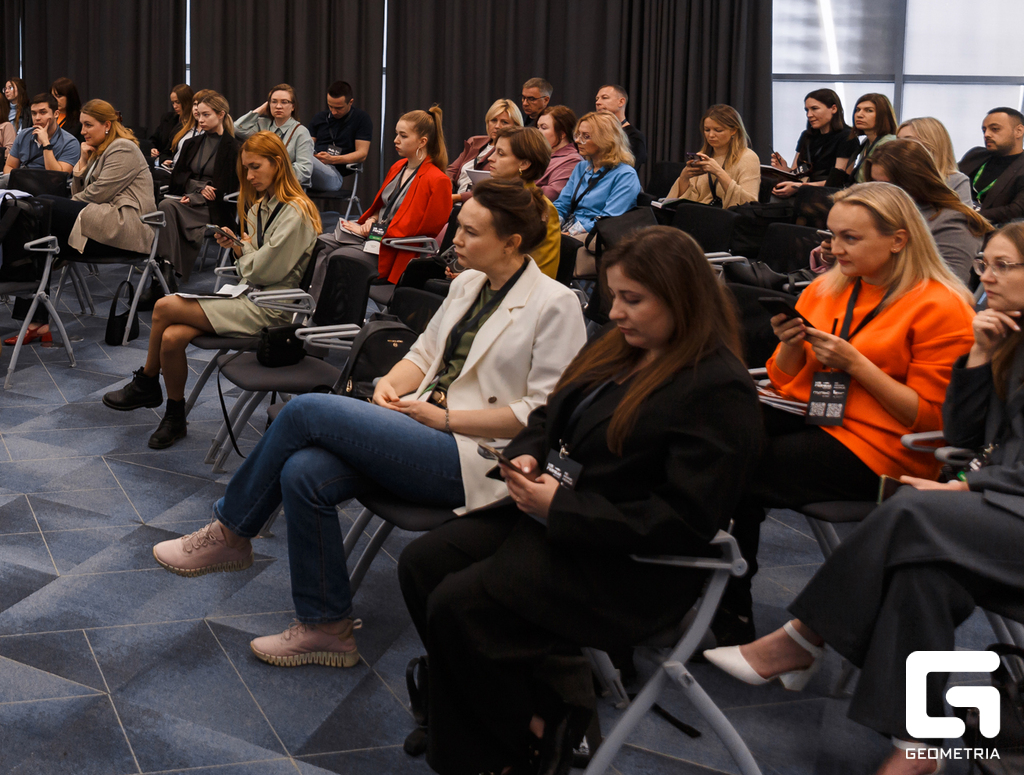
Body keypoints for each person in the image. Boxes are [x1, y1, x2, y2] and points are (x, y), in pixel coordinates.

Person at [149, 179, 585, 666]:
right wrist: (390, 383)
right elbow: (422, 354)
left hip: (479, 456)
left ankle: (231, 532)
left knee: (305, 411)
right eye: (459, 227)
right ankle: (327, 628)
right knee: (304, 472)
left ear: (511, 243)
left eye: (470, 232)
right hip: (422, 424)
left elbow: (542, 414)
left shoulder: (555, 303)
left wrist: (446, 419)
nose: (456, 239)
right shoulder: (468, 283)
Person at [396, 226, 761, 775]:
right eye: (615, 297)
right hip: (566, 516)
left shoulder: (717, 389)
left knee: (460, 605)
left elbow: (682, 520)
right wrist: (526, 455)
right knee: (423, 565)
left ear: (682, 299)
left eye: (632, 300)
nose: (615, 312)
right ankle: (521, 711)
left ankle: (503, 748)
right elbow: (549, 415)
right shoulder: (621, 345)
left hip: (631, 561)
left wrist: (559, 509)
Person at [705, 220, 1024, 775]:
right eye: (984, 265)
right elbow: (964, 435)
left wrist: (968, 486)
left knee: (910, 508)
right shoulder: (1005, 335)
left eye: (1003, 266)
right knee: (923, 577)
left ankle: (802, 638)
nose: (987, 277)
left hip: (998, 502)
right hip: (990, 505)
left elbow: (951, 440)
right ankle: (919, 745)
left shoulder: (938, 304)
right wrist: (979, 355)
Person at [714, 181, 974, 644]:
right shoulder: (827, 288)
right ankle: (714, 596)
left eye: (850, 238)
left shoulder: (942, 306)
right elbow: (783, 381)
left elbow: (933, 420)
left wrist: (857, 365)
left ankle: (728, 608)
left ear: (898, 240)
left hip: (889, 451)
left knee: (736, 469)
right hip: (818, 417)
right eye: (832, 236)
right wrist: (790, 345)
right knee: (713, 437)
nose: (834, 249)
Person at [106, 131, 318, 449]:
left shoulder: (295, 211)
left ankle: (147, 381)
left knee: (164, 306)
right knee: (171, 337)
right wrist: (241, 247)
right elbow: (255, 261)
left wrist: (244, 252)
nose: (249, 176)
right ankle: (175, 417)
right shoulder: (263, 206)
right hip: (252, 295)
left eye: (255, 167)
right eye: (245, 168)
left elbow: (263, 269)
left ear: (277, 164)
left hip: (273, 310)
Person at [19, 100, 156, 349]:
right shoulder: (101, 149)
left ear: (107, 125)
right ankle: (37, 322)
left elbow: (97, 194)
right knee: (38, 241)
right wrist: (83, 160)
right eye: (82, 125)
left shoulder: (123, 148)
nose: (82, 131)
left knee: (42, 208)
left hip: (126, 227)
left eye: (88, 125)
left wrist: (62, 206)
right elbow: (82, 192)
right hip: (101, 220)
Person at [340, 108, 453, 285]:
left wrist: (372, 230)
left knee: (338, 257)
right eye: (396, 134)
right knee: (323, 243)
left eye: (403, 136)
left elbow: (419, 231)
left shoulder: (438, 180)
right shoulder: (398, 166)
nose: (396, 140)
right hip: (376, 237)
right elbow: (383, 207)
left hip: (395, 248)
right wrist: (371, 219)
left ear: (422, 141)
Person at [866, 140, 991, 288]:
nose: (880, 193)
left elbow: (948, 287)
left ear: (913, 181)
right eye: (874, 184)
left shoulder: (954, 223)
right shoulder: (886, 212)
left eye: (887, 185)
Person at [155, 89, 239, 280]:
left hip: (213, 207)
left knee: (167, 209)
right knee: (166, 206)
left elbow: (226, 187)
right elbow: (178, 178)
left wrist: (197, 196)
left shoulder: (234, 148)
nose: (200, 119)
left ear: (221, 114)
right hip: (188, 201)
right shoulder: (191, 143)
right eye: (199, 115)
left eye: (206, 115)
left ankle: (166, 271)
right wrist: (198, 189)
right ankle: (167, 269)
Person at [556, 112, 641, 248]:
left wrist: (569, 234)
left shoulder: (625, 175)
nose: (577, 141)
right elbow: (562, 204)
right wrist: (551, 224)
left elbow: (607, 220)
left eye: (586, 136)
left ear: (605, 140)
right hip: (570, 230)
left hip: (596, 235)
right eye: (578, 135)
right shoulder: (581, 167)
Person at [490, 127, 563, 279]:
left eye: (501, 154)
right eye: (494, 151)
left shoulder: (542, 210)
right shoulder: (494, 197)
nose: (491, 158)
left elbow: (542, 275)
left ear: (524, 164)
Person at [770, 87, 860, 198]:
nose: (809, 115)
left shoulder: (846, 137)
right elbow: (796, 173)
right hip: (803, 194)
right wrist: (785, 170)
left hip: (828, 197)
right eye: (807, 110)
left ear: (833, 109)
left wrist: (799, 187)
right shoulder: (807, 136)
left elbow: (838, 182)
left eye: (814, 109)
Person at [666, 103, 761, 207]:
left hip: (726, 215)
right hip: (699, 212)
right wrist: (684, 178)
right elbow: (689, 199)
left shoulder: (748, 158)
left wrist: (719, 172)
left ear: (733, 130)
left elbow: (749, 203)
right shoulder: (703, 155)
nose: (711, 135)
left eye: (718, 130)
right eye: (707, 130)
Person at [233, 82, 314, 188]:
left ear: (293, 106)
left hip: (287, 189)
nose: (278, 106)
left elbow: (304, 170)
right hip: (261, 188)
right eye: (274, 102)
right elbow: (237, 128)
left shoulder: (301, 132)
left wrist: (273, 175)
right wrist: (262, 109)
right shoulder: (262, 125)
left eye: (284, 102)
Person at [447, 98, 521, 204]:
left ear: (516, 126)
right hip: (454, 201)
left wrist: (458, 197)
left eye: (504, 122)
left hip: (483, 205)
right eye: (493, 120)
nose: (497, 126)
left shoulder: (513, 151)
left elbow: (498, 188)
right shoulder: (474, 141)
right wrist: (445, 188)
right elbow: (451, 171)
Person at [307, 81, 373, 194]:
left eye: (339, 108)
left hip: (334, 175)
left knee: (297, 158)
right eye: (330, 106)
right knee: (295, 155)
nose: (333, 112)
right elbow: (307, 145)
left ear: (350, 102)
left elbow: (362, 154)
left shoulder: (361, 119)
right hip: (310, 168)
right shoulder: (319, 118)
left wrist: (332, 159)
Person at [960, 106, 1024, 224]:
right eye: (984, 130)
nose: (987, 135)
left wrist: (965, 216)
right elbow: (948, 181)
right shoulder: (975, 155)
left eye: (995, 129)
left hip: (993, 230)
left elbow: (1016, 210)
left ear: (1018, 131)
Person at [897, 116, 971, 203]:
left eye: (908, 141)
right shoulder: (894, 177)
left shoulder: (956, 181)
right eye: (897, 141)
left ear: (932, 144)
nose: (898, 146)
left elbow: (960, 212)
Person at [3, 93, 80, 174]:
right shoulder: (23, 135)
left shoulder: (70, 143)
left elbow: (57, 176)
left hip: (46, 181)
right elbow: (10, 166)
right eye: (34, 113)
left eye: (43, 112)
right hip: (21, 179)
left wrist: (46, 143)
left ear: (56, 114)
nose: (37, 118)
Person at [851, 91, 898, 181]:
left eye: (869, 110)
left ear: (883, 115)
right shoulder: (867, 141)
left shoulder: (889, 143)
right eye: (857, 110)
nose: (859, 115)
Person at [536, 104, 580, 200]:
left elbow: (552, 194)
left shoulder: (572, 160)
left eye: (544, 128)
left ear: (562, 133)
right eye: (538, 127)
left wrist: (518, 189)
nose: (537, 132)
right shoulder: (538, 154)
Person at [593, 83, 645, 163]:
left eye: (604, 98)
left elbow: (629, 166)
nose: (598, 102)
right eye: (597, 99)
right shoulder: (595, 133)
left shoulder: (634, 137)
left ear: (621, 102)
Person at [148, 84, 194, 168]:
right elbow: (154, 139)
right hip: (161, 161)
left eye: (178, 102)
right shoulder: (167, 118)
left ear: (187, 102)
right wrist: (152, 148)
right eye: (173, 103)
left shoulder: (195, 123)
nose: (174, 106)